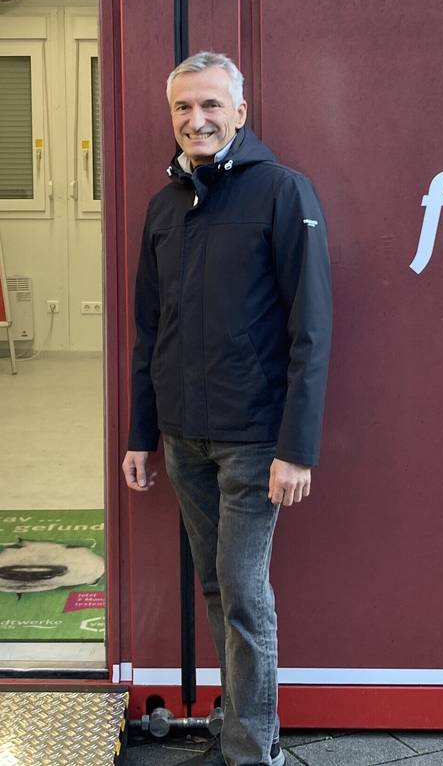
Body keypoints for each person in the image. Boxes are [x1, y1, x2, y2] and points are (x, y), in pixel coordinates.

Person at [122, 52, 332, 766]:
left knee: (243, 594)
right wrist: (141, 434)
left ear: (240, 113)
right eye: (183, 107)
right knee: (215, 585)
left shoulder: (282, 193)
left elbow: (312, 327)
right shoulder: (164, 206)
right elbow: (151, 330)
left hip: (253, 441)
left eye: (211, 105)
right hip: (184, 438)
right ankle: (240, 726)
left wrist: (296, 447)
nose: (196, 119)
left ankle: (253, 752)